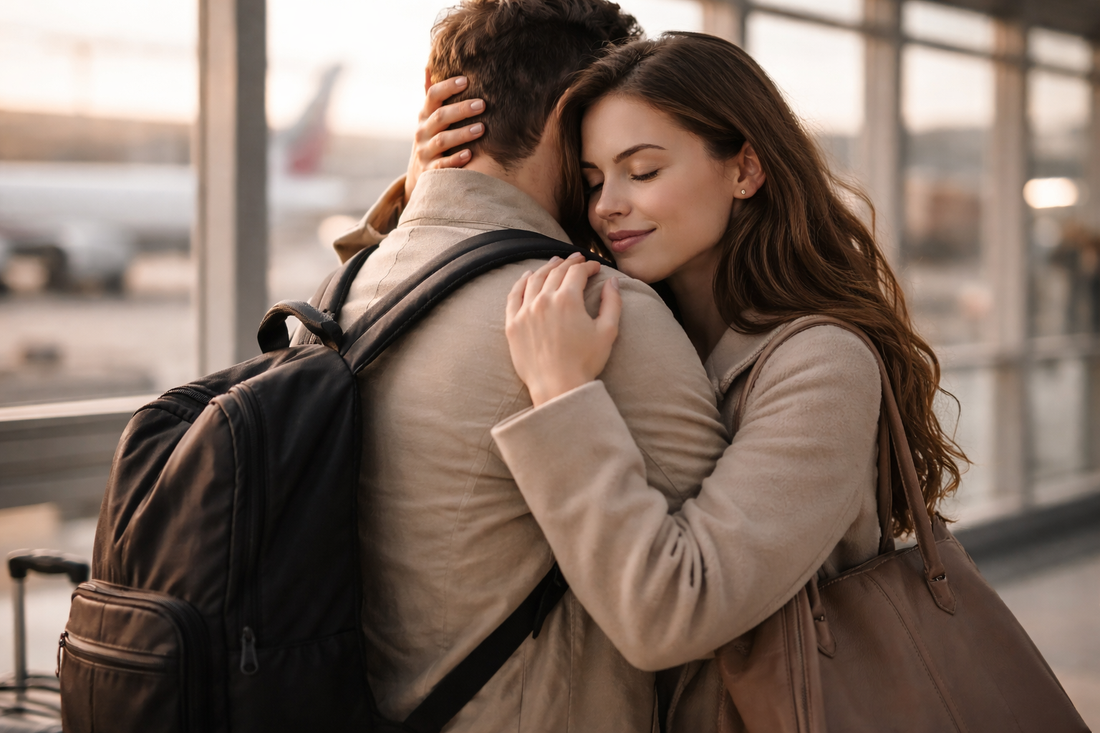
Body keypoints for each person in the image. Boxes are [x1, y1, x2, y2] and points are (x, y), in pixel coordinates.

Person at [408, 32, 968, 731]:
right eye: (592, 181)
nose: (607, 206)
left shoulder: (822, 363)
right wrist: (432, 186)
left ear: (745, 170)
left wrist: (564, 397)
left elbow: (675, 612)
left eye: (642, 171)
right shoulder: (642, 329)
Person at [327, 4, 728, 731]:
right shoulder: (595, 308)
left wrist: (419, 196)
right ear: (573, 113)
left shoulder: (344, 289)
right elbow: (726, 597)